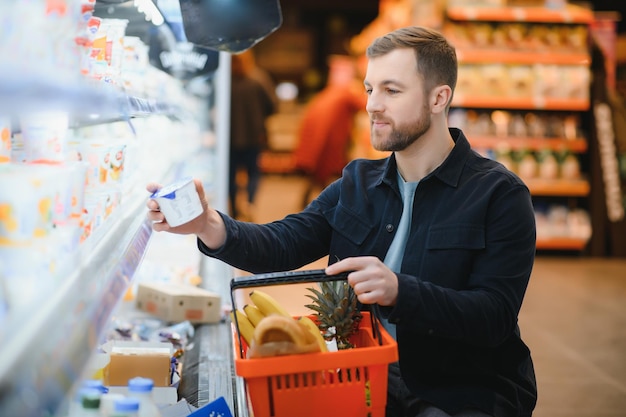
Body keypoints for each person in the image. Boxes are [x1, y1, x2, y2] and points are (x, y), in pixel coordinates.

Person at [147, 26, 537, 417]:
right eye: (370, 89)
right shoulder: (357, 182)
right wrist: (208, 225)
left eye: (392, 90)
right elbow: (285, 242)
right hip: (364, 378)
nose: (372, 105)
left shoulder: (499, 195)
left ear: (439, 98)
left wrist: (400, 291)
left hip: (458, 391)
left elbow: (494, 316)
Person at [293, 54, 368, 208]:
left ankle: (314, 207)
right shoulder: (344, 94)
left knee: (319, 179)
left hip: (319, 146)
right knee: (327, 178)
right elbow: (368, 105)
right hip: (328, 145)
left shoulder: (327, 94)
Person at [228, 51, 276, 220]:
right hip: (254, 136)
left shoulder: (225, 81)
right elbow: (272, 106)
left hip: (229, 138)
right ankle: (249, 206)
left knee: (230, 176)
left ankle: (233, 210)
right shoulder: (258, 78)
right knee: (253, 173)